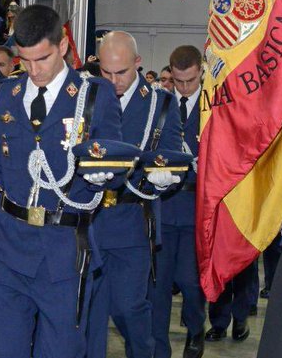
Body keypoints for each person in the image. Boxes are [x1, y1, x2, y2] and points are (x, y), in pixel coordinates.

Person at [0, 4, 122, 357]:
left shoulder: (93, 95)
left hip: (63, 251)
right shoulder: (2, 95)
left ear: (63, 45)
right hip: (9, 248)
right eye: (25, 60)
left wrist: (104, 177)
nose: (34, 70)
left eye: (43, 59)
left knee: (61, 351)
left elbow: (115, 162)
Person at [91, 31, 183, 358]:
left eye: (122, 72)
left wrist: (165, 180)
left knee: (130, 308)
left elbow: (172, 156)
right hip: (89, 218)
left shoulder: (162, 103)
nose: (114, 81)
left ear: (138, 64)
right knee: (91, 313)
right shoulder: (87, 98)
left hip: (133, 219)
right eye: (106, 72)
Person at [151, 45, 207, 358]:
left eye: (191, 80)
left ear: (201, 72)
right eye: (180, 81)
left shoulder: (213, 107)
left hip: (196, 207)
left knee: (190, 280)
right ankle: (160, 347)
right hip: (163, 206)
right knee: (159, 285)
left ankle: (195, 329)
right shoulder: (161, 104)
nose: (185, 87)